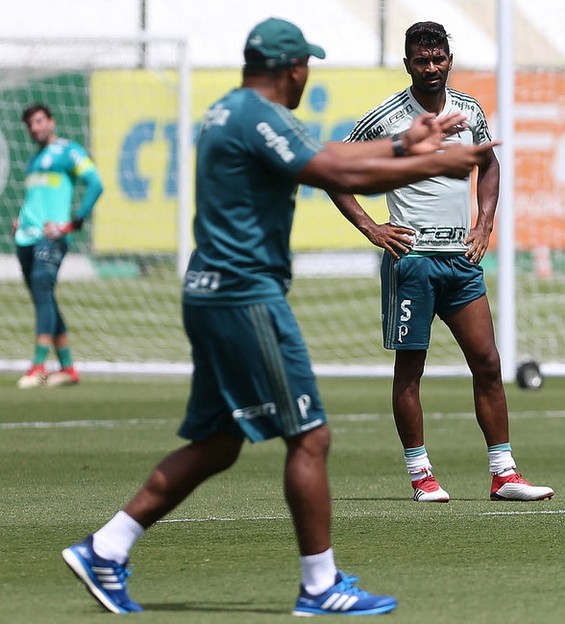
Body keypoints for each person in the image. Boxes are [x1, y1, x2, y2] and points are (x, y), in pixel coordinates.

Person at [60, 17, 496, 616]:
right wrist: (425, 163)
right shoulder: (255, 116)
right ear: (291, 69)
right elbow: (335, 172)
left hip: (214, 293)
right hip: (245, 297)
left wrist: (403, 146)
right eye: (306, 65)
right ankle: (320, 586)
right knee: (310, 435)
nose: (306, 74)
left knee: (219, 442)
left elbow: (328, 155)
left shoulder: (233, 111)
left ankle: (105, 548)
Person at [327, 21, 553, 504]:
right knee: (411, 370)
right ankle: (421, 474)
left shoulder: (468, 110)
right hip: (413, 261)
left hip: (460, 260)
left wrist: (485, 221)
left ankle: (504, 473)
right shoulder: (387, 119)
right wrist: (371, 227)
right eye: (421, 61)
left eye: (438, 59)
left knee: (488, 362)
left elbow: (489, 164)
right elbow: (336, 172)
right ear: (407, 64)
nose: (431, 68)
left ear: (450, 59)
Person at [13, 103, 103, 389]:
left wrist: (74, 223)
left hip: (51, 237)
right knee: (45, 295)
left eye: (39, 121)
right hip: (27, 237)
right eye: (30, 124)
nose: (35, 127)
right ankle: (67, 369)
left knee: (42, 283)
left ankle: (38, 366)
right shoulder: (33, 161)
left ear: (51, 121)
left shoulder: (68, 151)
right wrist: (22, 220)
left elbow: (95, 183)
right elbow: (38, 200)